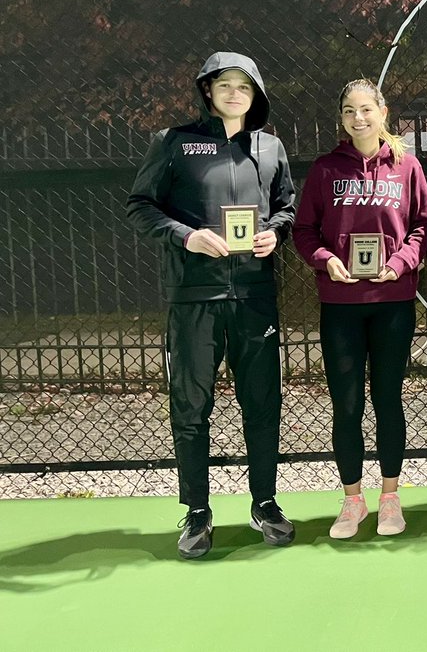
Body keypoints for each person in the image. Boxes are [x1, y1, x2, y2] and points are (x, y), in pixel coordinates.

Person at [127, 52, 295, 560]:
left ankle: (264, 502)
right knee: (191, 406)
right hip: (193, 298)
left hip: (253, 299)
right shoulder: (174, 143)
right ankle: (197, 511)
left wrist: (274, 235)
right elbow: (140, 206)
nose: (234, 93)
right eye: (225, 84)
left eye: (244, 86)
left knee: (262, 403)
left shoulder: (269, 147)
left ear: (256, 93)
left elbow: (286, 207)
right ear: (208, 90)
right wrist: (187, 236)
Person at [293, 79, 427, 539]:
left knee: (388, 400)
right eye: (350, 111)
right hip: (341, 306)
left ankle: (390, 499)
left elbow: (422, 226)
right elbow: (304, 232)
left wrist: (400, 263)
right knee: (347, 405)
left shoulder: (406, 167)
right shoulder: (326, 170)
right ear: (342, 118)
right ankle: (352, 501)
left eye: (367, 109)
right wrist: (327, 261)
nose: (359, 118)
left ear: (383, 112)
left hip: (392, 302)